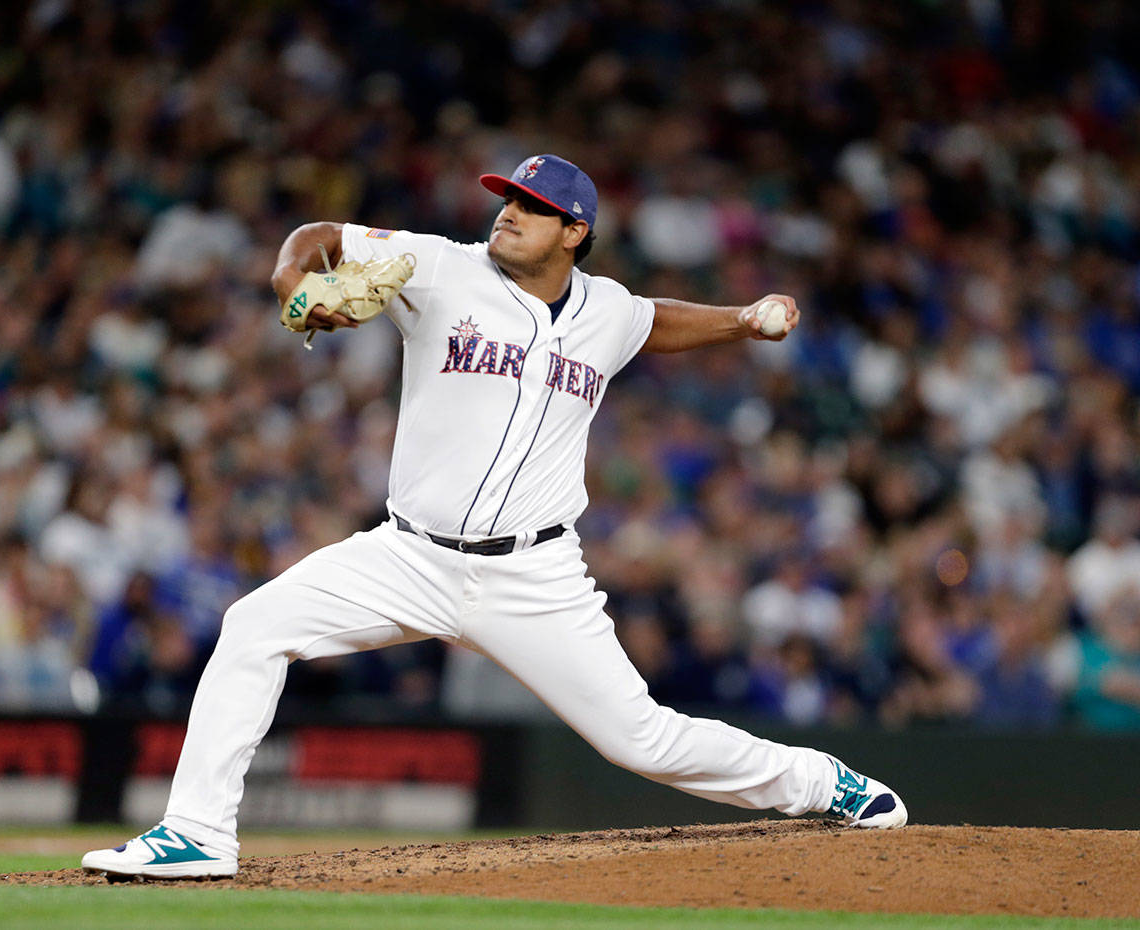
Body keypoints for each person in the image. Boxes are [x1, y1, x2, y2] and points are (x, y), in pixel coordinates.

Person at [83, 154, 907, 879]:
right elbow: (316, 237)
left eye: (531, 206)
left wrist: (740, 321)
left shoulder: (606, 310)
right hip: (407, 558)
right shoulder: (438, 267)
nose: (507, 212)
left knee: (644, 741)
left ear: (573, 231)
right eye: (505, 198)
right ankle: (196, 834)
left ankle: (820, 783)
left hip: (534, 575)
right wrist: (297, 288)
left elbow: (654, 321)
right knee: (254, 626)